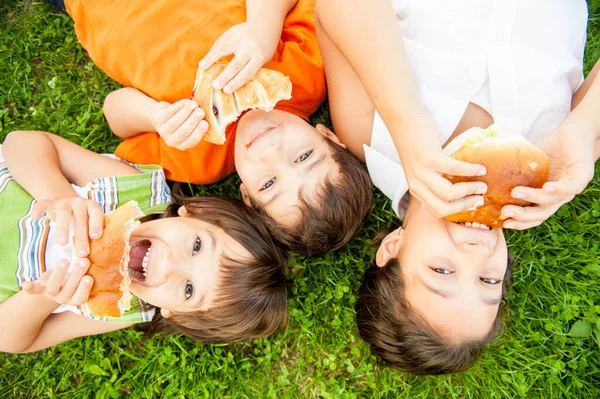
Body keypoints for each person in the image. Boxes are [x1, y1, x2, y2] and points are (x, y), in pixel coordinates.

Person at [315, 0, 600, 374]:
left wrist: (406, 122)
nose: (476, 250)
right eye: (488, 279)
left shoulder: (370, 136)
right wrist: (581, 131)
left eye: (442, 272)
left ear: (393, 247)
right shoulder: (547, 175)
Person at [56, 0, 372, 256]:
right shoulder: (305, 77)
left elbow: (115, 111)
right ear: (327, 135)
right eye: (303, 157)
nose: (271, 152)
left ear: (247, 196)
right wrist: (263, 26)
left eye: (269, 183)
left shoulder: (197, 160)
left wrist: (154, 117)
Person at [0, 130, 288, 354]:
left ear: (174, 314)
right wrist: (59, 194)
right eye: (197, 246)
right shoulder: (136, 193)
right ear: (194, 214)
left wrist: (46, 297)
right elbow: (21, 144)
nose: (171, 264)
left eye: (188, 289)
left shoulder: (121, 309)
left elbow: (12, 340)